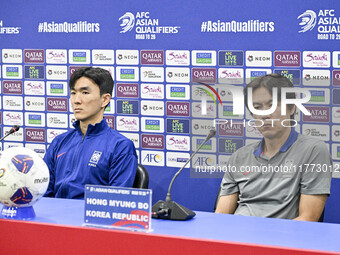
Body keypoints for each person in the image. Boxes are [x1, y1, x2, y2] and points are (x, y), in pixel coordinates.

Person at [215, 74, 332, 221]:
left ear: (291, 108)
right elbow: (220, 217)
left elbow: (308, 219)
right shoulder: (239, 156)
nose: (264, 114)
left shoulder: (313, 151)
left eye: (271, 105)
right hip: (238, 236)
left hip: (281, 239)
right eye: (257, 107)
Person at [44, 67, 137, 199]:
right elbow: (43, 193)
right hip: (54, 218)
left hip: (92, 218)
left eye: (85, 93)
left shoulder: (120, 146)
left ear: (104, 100)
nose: (76, 100)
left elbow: (117, 202)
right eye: (73, 93)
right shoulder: (59, 142)